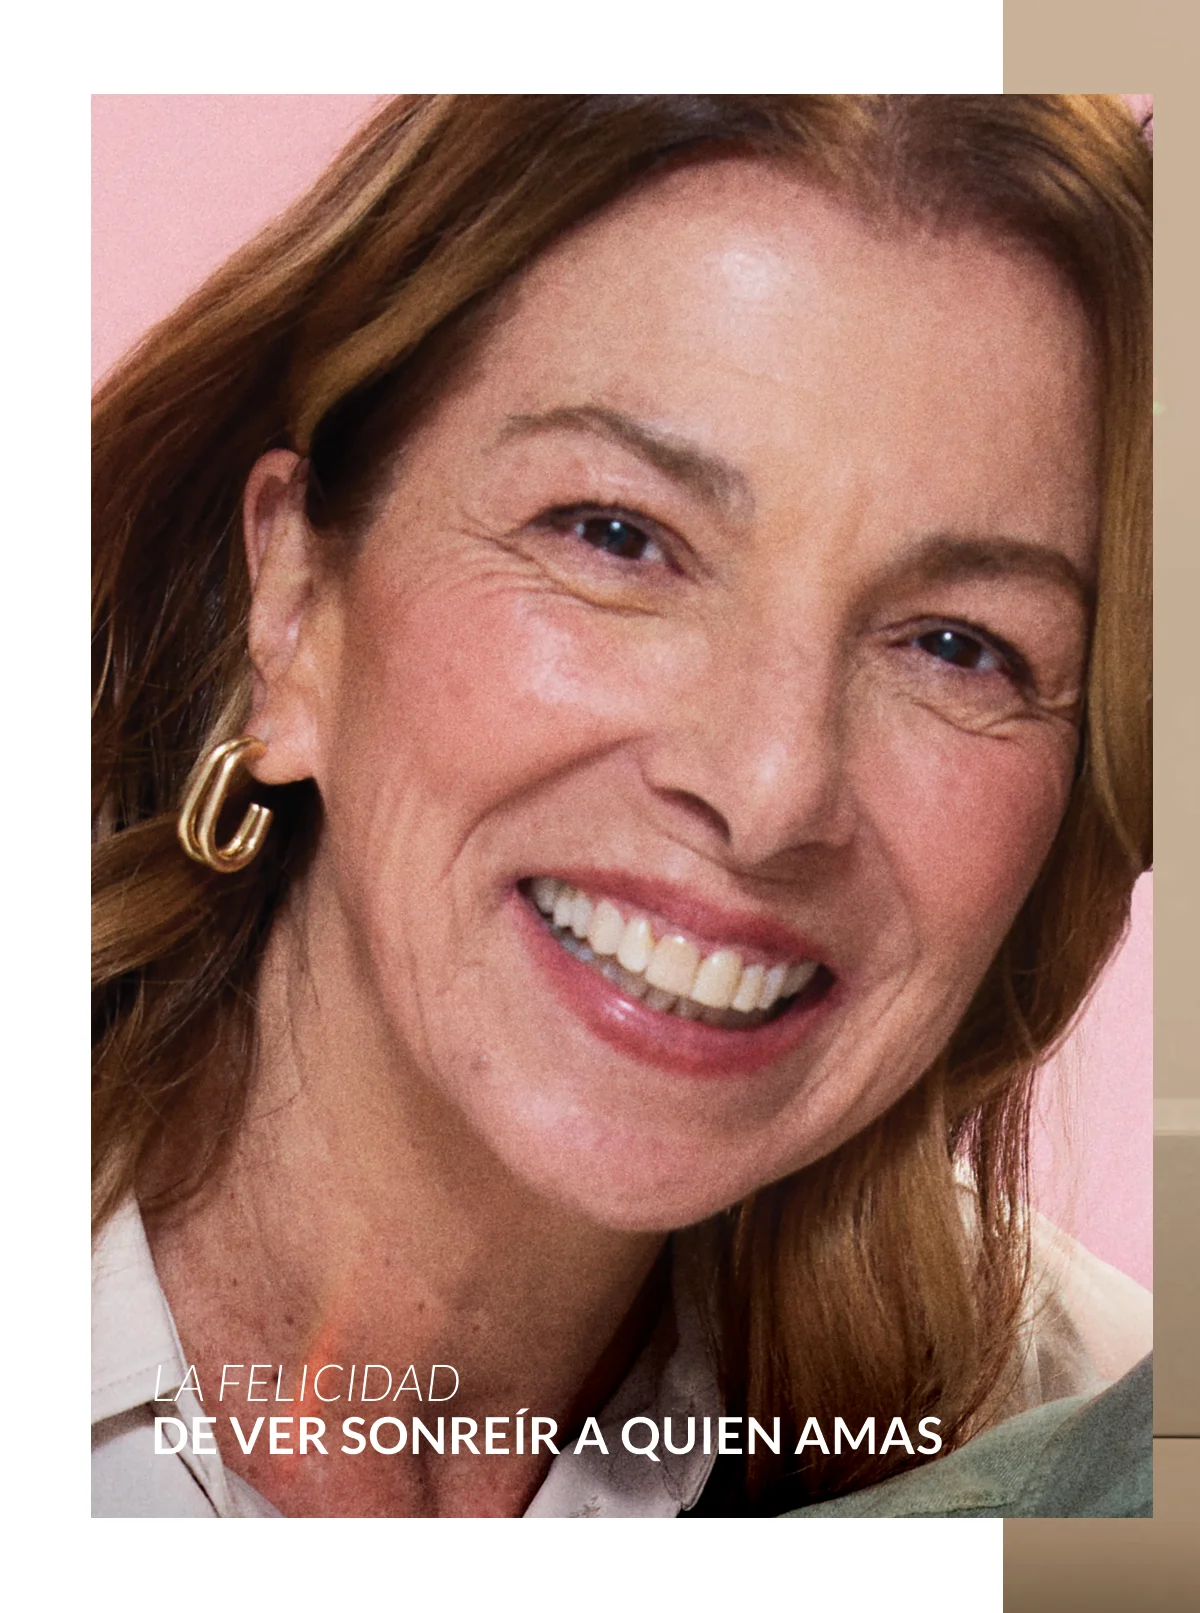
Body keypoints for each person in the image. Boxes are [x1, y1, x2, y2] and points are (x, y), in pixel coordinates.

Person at [91, 94, 1152, 1519]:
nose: (769, 789)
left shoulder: (1103, 1457)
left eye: (958, 645)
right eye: (617, 537)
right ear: (295, 601)